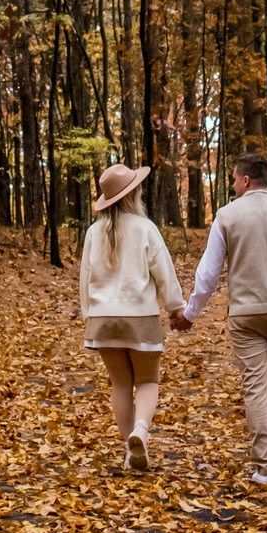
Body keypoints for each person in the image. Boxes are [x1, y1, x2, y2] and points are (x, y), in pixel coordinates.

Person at [181, 152, 267, 485]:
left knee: (255, 385)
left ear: (246, 180)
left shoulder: (227, 216)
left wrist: (190, 313)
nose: (232, 184)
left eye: (233, 178)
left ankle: (264, 467)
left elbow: (209, 273)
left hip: (245, 315)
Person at [76, 162, 187, 473]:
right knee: (148, 380)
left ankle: (129, 449)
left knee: (120, 384)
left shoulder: (93, 232)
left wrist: (89, 314)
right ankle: (141, 430)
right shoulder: (144, 228)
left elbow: (85, 278)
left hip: (103, 318)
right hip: (139, 316)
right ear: (132, 195)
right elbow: (163, 271)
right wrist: (176, 307)